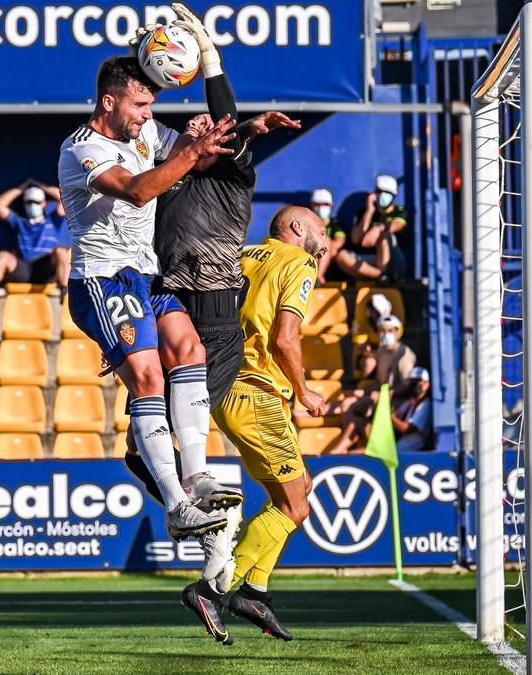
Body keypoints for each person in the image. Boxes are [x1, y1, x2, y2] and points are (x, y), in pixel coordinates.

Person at [110, 7, 303, 643]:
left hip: (215, 310)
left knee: (180, 426)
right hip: (165, 295)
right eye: (195, 126)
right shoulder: (179, 160)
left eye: (211, 129)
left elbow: (222, 125)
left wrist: (213, 62)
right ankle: (209, 541)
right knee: (142, 443)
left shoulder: (231, 167)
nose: (201, 128)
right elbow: (170, 146)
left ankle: (215, 564)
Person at [57, 51, 238, 542]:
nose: (147, 115)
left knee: (190, 350)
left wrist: (216, 136)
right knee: (148, 373)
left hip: (147, 274)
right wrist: (187, 153)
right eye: (139, 104)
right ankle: (177, 505)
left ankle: (197, 475)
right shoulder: (81, 149)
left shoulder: (147, 133)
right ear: (109, 101)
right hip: (103, 279)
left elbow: (195, 151)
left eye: (152, 105)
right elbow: (136, 191)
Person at [202, 205, 329, 642]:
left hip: (225, 389)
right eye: (320, 230)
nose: (325, 241)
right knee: (296, 507)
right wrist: (306, 390)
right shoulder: (300, 262)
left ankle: (255, 591)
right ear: (297, 228)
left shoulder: (241, 256)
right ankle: (214, 587)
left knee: (299, 490)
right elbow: (284, 338)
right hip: (257, 392)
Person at [0, 180, 71, 291]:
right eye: (29, 202)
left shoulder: (53, 220)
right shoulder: (19, 222)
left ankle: (64, 288)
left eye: (36, 202)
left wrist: (44, 187)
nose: (32, 205)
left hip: (45, 269)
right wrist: (20, 189)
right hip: (23, 269)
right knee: (4, 255)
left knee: (61, 251)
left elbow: (66, 199)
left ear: (44, 203)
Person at [330, 366, 432, 455]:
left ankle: (341, 456)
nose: (416, 385)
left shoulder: (425, 405)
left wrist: (389, 415)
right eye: (413, 382)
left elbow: (406, 429)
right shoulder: (410, 403)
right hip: (395, 444)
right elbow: (393, 418)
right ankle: (336, 452)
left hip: (403, 450)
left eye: (419, 382)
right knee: (357, 424)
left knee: (361, 452)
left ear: (427, 384)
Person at [343, 174, 408, 280]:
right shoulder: (364, 212)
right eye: (379, 191)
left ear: (394, 195)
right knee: (342, 256)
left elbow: (397, 224)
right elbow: (355, 239)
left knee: (384, 236)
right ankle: (382, 277)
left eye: (387, 193)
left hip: (394, 261)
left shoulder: (400, 211)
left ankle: (387, 273)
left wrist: (378, 229)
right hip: (370, 261)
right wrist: (369, 212)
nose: (382, 195)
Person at [310, 189, 349, 284]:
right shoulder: (307, 224)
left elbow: (339, 243)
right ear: (312, 205)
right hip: (311, 258)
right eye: (317, 204)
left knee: (326, 241)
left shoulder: (335, 224)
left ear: (331, 205)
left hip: (331, 261)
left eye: (325, 204)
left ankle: (318, 277)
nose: (321, 207)